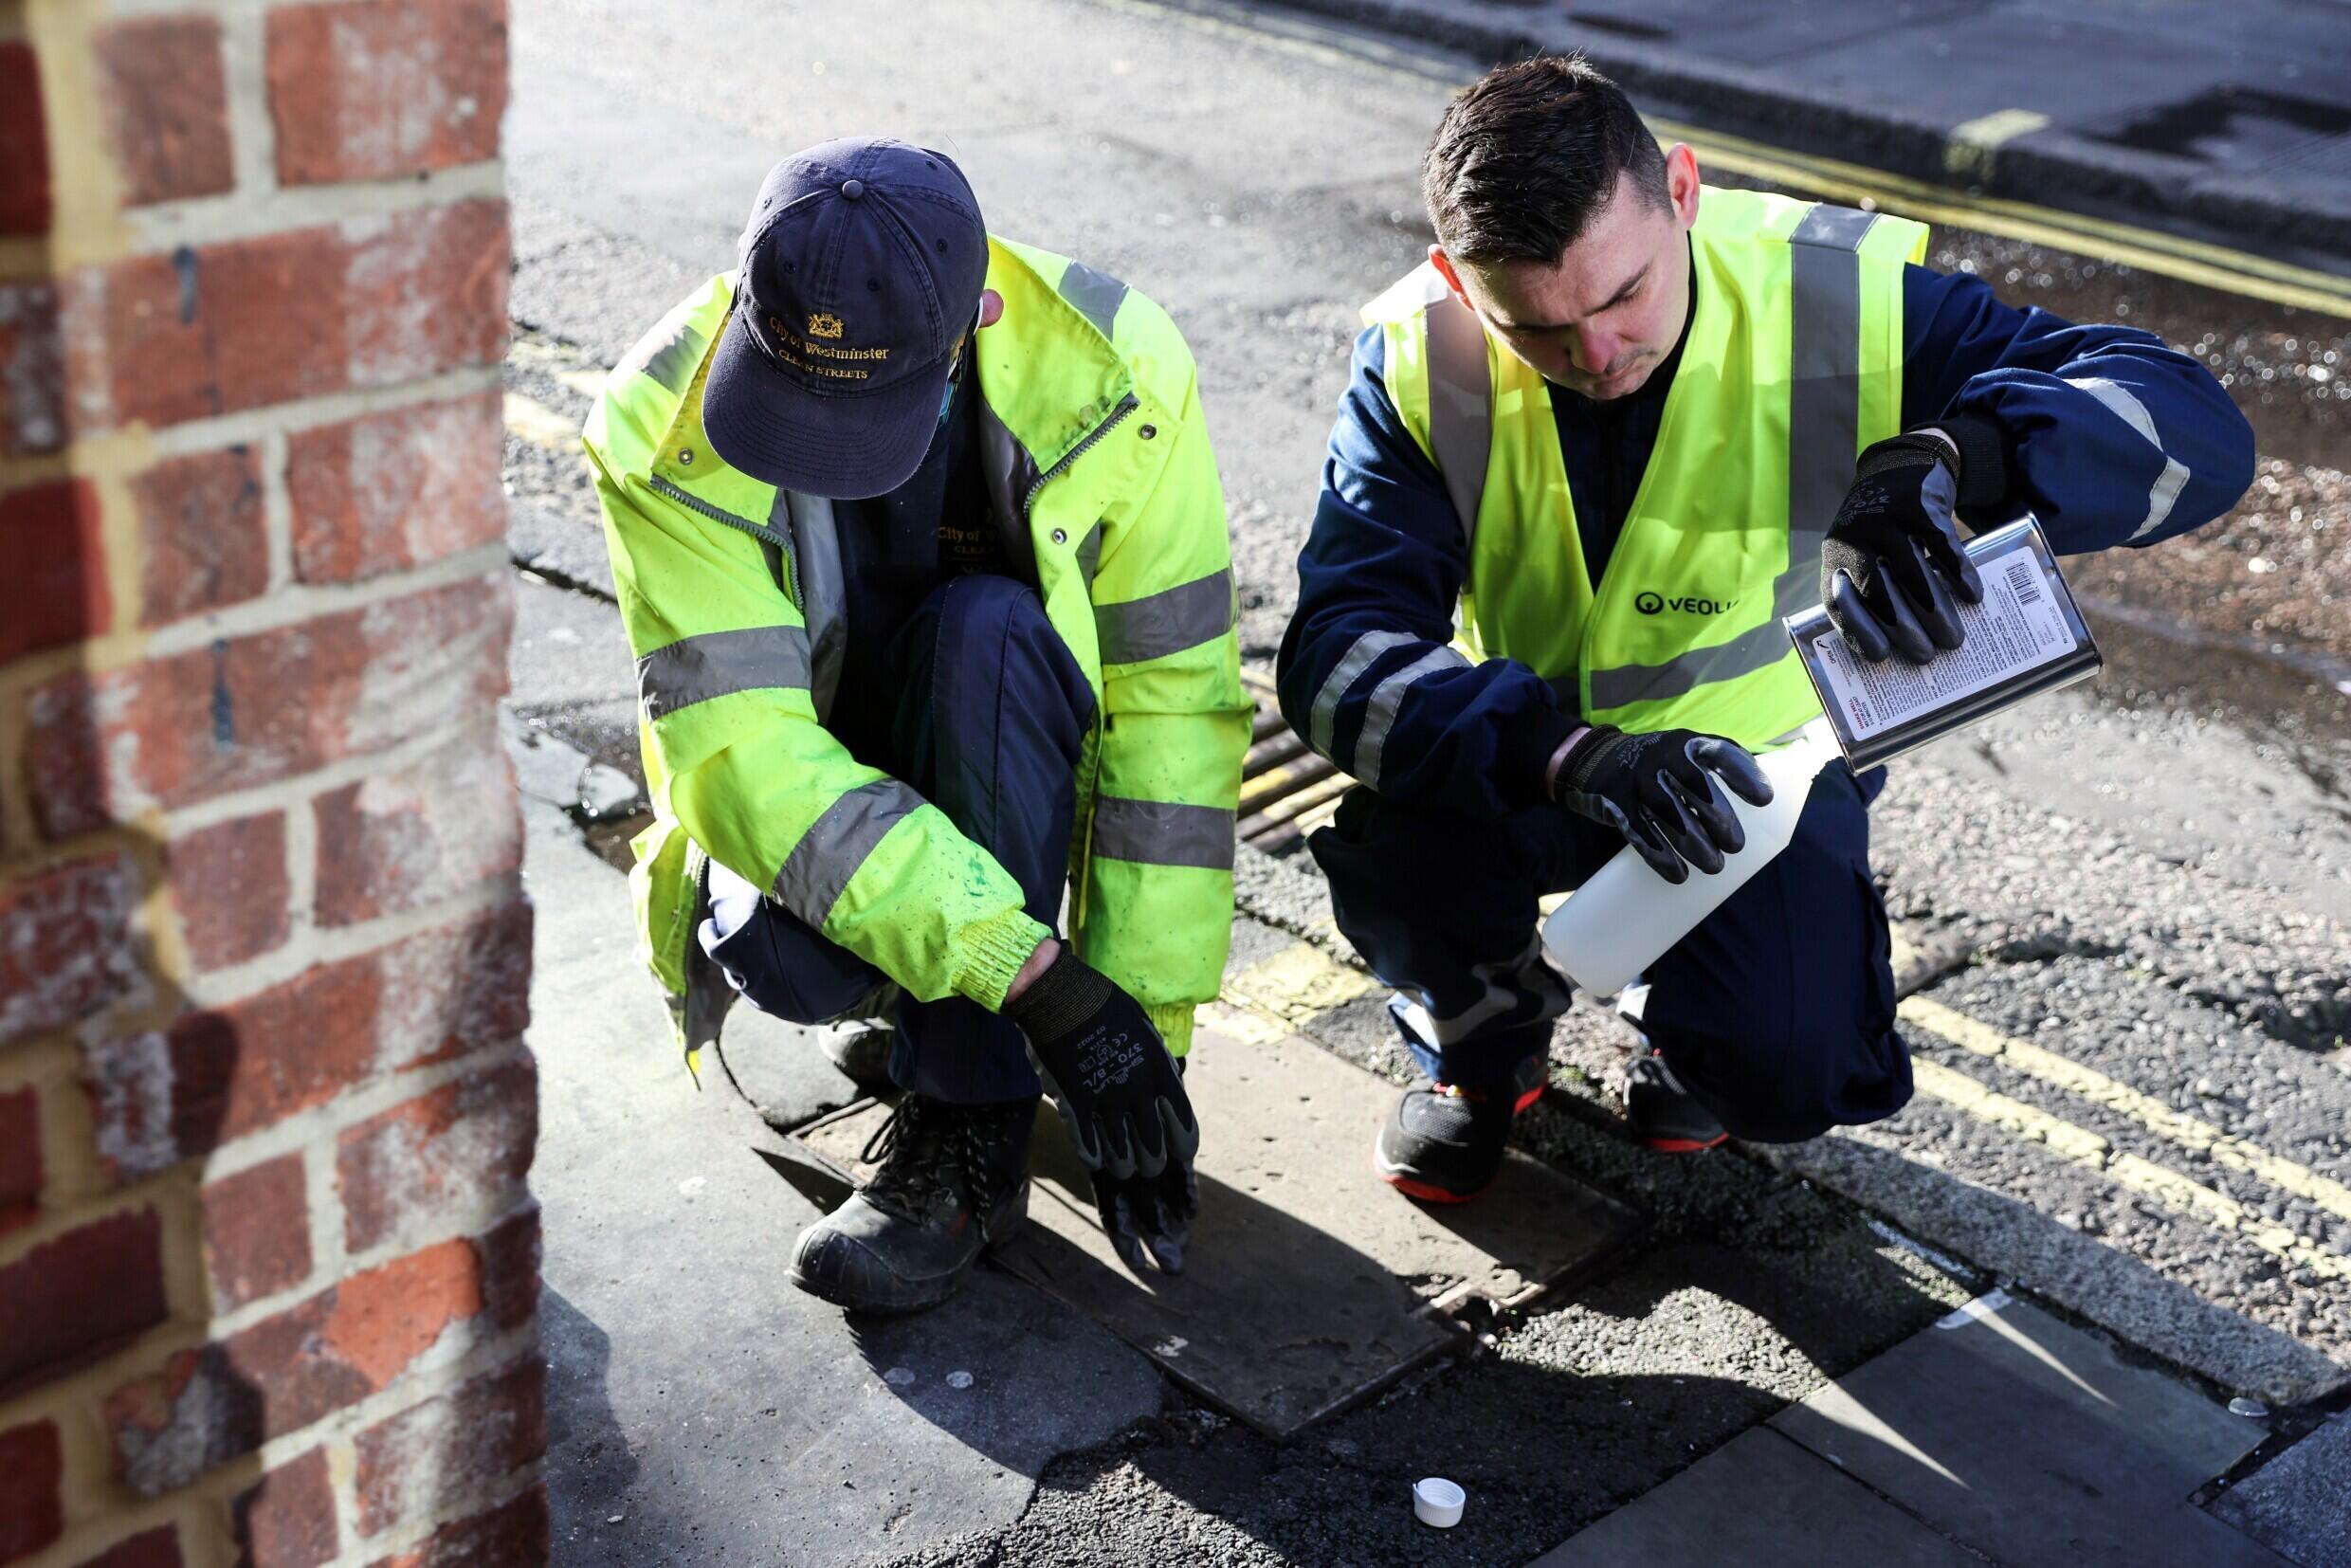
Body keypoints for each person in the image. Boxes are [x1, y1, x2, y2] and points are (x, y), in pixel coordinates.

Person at [1277, 57, 2254, 1201]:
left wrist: (1949, 454)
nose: (1596, 357)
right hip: (1536, 760)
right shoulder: (1416, 356)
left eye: (1622, 294)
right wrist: (1567, 755)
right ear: (1456, 277)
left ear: (1681, 190)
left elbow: (2191, 425)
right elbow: (1335, 654)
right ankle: (1477, 1046)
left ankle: (1680, 1028)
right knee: (1400, 843)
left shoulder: (1839, 296)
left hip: (1760, 778)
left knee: (1789, 1073)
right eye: (1535, 329)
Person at [585, 139, 1249, 1309]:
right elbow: (748, 757)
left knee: (980, 635)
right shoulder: (658, 423)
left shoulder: (1119, 376)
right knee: (784, 954)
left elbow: (1172, 713)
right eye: (792, 406)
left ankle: (960, 1093)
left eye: (862, 418)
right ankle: (960, 1076)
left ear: (977, 317)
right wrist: (1033, 980)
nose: (825, 454)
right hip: (815, 797)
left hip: (1004, 737)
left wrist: (1132, 1029)